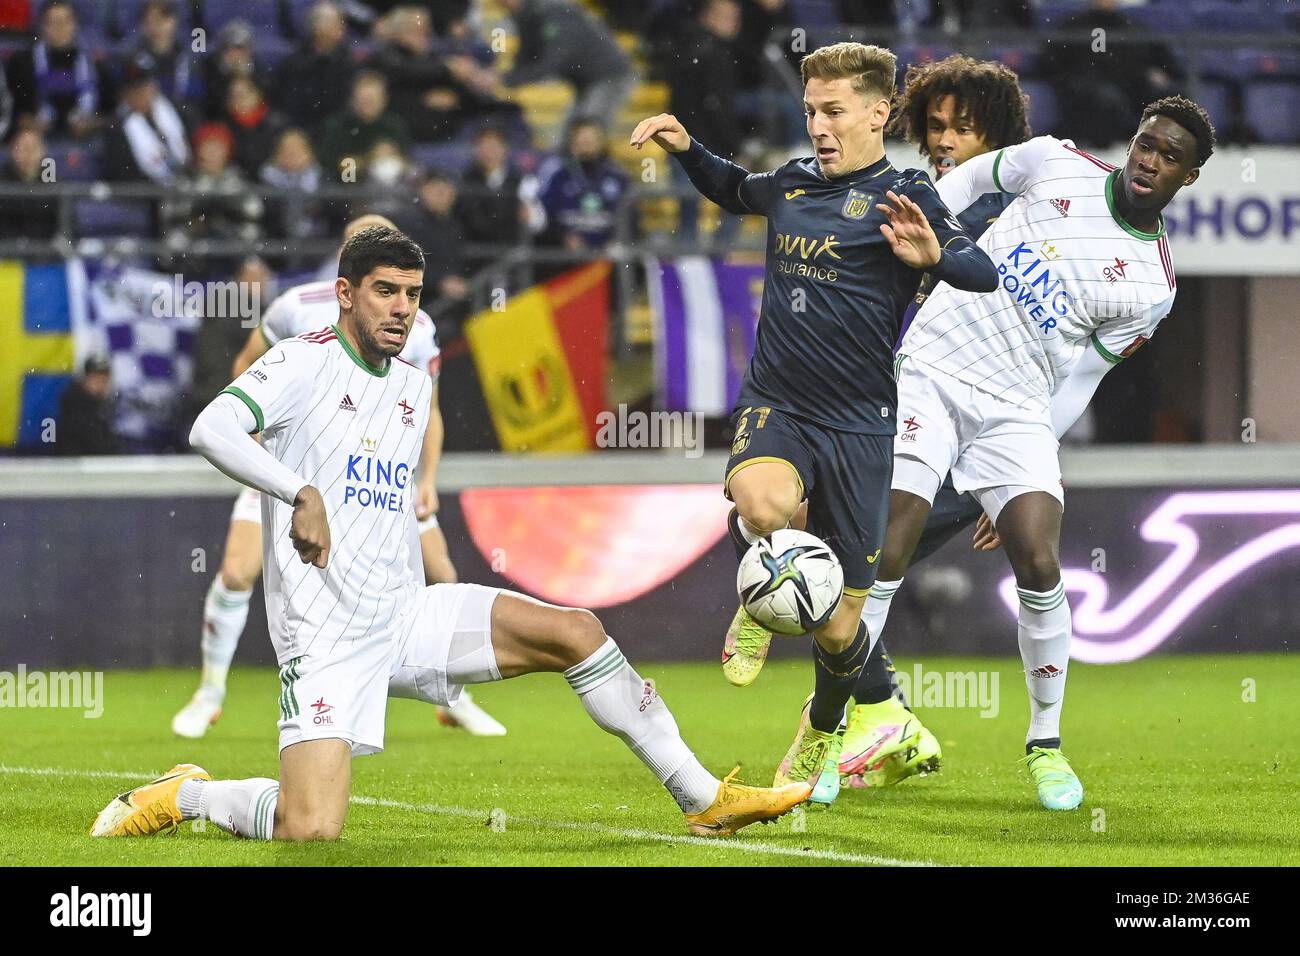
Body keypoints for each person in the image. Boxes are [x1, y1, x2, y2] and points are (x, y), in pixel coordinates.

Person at [94, 226, 811, 842]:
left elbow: (390, 504)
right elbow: (210, 427)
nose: (401, 308)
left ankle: (702, 799)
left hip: (405, 615)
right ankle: (187, 793)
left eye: (412, 293)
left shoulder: (412, 386)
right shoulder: (302, 359)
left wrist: (424, 552)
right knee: (310, 828)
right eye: (384, 291)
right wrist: (296, 490)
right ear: (345, 294)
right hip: (325, 638)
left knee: (577, 631)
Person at [630, 41, 998, 807]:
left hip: (862, 425)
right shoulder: (794, 182)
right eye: (810, 111)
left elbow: (980, 272)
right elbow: (734, 188)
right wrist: (684, 145)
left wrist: (934, 257)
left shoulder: (907, 195)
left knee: (840, 629)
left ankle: (822, 728)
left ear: (876, 112)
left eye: (833, 111)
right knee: (763, 505)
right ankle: (760, 583)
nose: (820, 126)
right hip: (778, 402)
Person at [863, 96, 1214, 810]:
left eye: (1169, 156)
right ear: (1133, 141)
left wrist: (1021, 471)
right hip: (935, 366)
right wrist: (935, 238)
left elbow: (1082, 376)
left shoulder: (1152, 286)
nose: (1150, 160)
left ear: (1192, 175)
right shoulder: (1056, 161)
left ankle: (1045, 747)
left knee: (1041, 558)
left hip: (1018, 409)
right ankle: (837, 726)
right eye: (1146, 143)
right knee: (886, 546)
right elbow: (964, 182)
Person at [169, 213, 502, 737]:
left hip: (373, 474)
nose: (399, 300)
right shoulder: (294, 308)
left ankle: (451, 697)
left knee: (442, 575)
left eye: (406, 286)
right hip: (290, 474)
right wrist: (263, 451)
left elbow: (429, 409)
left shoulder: (417, 326)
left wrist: (428, 477)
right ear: (347, 272)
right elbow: (245, 368)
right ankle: (209, 693)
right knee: (236, 572)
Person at [831, 53, 1036, 790]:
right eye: (938, 125)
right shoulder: (918, 202)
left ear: (1001, 135)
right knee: (830, 561)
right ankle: (882, 714)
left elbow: (1051, 351)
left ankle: (879, 713)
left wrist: (1009, 476)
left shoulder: (1016, 219)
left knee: (837, 565)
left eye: (966, 128)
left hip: (968, 443)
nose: (946, 140)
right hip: (904, 424)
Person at [5, 0, 106, 140]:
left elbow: (111, 113)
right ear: (43, 26)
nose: (60, 28)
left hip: (85, 142)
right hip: (36, 142)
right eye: (54, 22)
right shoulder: (22, 63)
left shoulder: (94, 63)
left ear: (74, 24)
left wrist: (91, 124)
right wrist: (29, 123)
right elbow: (12, 109)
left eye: (66, 21)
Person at [55, 355, 124, 455]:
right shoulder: (75, 405)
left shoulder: (102, 405)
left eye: (104, 379)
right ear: (85, 379)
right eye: (96, 378)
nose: (100, 383)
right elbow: (95, 442)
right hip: (74, 465)